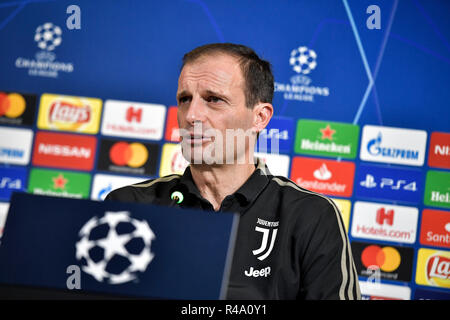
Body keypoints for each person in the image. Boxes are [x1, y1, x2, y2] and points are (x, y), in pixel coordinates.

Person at [105, 43, 361, 300]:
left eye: (213, 99)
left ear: (259, 117)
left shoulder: (311, 216)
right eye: (184, 99)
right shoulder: (129, 206)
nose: (192, 115)